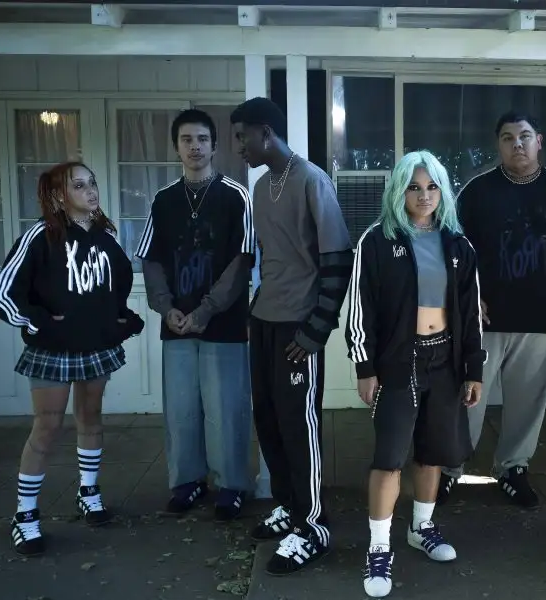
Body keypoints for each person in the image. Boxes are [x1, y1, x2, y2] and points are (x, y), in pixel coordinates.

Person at [346, 151, 485, 598]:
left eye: (431, 187)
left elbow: (470, 313)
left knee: (432, 452)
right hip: (397, 363)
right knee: (389, 457)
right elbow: (360, 308)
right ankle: (379, 548)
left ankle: (421, 527)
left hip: (444, 361)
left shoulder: (458, 245)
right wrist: (364, 366)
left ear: (443, 191)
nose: (424, 195)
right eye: (413, 187)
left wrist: (473, 369)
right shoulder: (376, 240)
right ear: (399, 191)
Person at [439, 112, 546, 508]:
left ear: (539, 141)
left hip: (544, 319)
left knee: (528, 402)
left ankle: (513, 469)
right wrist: (467, 297)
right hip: (483, 321)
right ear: (499, 145)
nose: (517, 144)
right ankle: (449, 469)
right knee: (466, 399)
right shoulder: (477, 192)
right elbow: (453, 252)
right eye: (507, 137)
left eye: (525, 136)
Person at [0, 162, 144, 555]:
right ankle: (25, 515)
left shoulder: (105, 237)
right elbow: (4, 293)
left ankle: (88, 493)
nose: (90, 190)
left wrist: (120, 318)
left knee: (91, 417)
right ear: (60, 195)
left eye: (92, 183)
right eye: (79, 185)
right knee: (47, 425)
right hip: (52, 349)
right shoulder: (41, 235)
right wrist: (39, 321)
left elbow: (117, 284)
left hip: (94, 346)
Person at [230, 97, 353, 576]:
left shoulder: (312, 180)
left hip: (299, 328)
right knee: (269, 420)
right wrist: (253, 316)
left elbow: (337, 260)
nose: (238, 146)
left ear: (265, 132)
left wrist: (316, 330)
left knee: (299, 427)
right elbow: (267, 259)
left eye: (242, 136)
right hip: (264, 320)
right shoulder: (261, 187)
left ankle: (313, 526)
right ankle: (287, 505)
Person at [135, 109, 256, 521]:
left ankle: (231, 486)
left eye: (202, 139)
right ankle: (187, 482)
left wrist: (207, 309)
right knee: (181, 408)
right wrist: (166, 307)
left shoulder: (235, 196)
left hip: (223, 323)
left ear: (214, 146)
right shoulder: (163, 199)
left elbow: (242, 261)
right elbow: (150, 258)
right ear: (176, 147)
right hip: (176, 323)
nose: (195, 147)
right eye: (186, 139)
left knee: (226, 408)